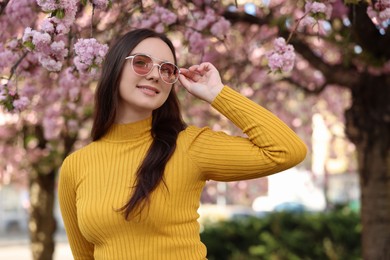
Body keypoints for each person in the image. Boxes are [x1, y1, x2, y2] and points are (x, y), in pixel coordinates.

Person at [58, 28, 307, 260]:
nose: (155, 74)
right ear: (115, 70)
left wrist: (217, 93)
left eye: (166, 69)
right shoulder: (76, 166)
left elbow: (286, 150)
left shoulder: (188, 146)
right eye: (141, 63)